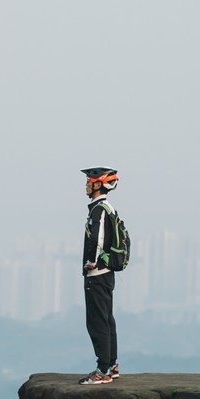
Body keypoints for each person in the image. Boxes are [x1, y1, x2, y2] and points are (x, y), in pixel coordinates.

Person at [79, 165, 123, 385]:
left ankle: (103, 369)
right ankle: (111, 366)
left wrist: (91, 263)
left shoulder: (99, 210)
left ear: (99, 184)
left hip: (98, 274)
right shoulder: (106, 208)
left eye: (90, 181)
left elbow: (98, 238)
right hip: (106, 274)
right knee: (106, 320)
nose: (86, 185)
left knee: (97, 322)